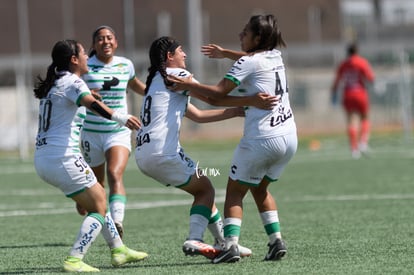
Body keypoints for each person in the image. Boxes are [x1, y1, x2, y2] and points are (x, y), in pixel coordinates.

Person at [135, 36, 278, 260]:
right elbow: (213, 97)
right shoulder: (178, 75)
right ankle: (195, 238)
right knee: (206, 190)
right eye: (181, 51)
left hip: (145, 154)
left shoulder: (156, 80)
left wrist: (233, 112)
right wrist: (251, 100)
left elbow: (199, 115)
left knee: (202, 187)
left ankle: (224, 243)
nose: (185, 54)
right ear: (169, 57)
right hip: (162, 152)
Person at [169, 14, 297, 263]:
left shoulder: (249, 63)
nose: (240, 36)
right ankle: (276, 241)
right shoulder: (274, 55)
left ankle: (230, 246)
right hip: (289, 136)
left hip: (262, 139)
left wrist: (189, 85)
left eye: (245, 32)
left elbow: (216, 96)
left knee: (234, 193)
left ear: (257, 38)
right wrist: (226, 53)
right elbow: (252, 60)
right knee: (260, 187)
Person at [33, 39, 148, 272]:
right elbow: (90, 104)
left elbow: (75, 101)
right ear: (74, 59)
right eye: (84, 53)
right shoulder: (73, 81)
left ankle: (118, 250)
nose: (88, 56)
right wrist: (121, 117)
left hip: (46, 158)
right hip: (62, 157)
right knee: (98, 207)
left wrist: (89, 95)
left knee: (99, 201)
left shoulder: (57, 82)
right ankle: (75, 259)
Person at [79, 25, 146, 237]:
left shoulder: (126, 65)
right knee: (96, 186)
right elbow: (72, 92)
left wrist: (162, 92)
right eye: (100, 39)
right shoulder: (85, 66)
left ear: (116, 42)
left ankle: (117, 222)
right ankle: (89, 206)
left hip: (118, 130)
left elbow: (138, 86)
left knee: (115, 174)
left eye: (109, 38)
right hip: (91, 133)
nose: (105, 41)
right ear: (93, 44)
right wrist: (87, 94)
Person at [331, 43, 375, 159]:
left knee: (351, 121)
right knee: (365, 117)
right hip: (360, 93)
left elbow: (336, 81)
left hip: (348, 94)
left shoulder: (343, 64)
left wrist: (334, 93)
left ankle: (354, 149)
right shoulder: (362, 62)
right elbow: (370, 78)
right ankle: (363, 142)